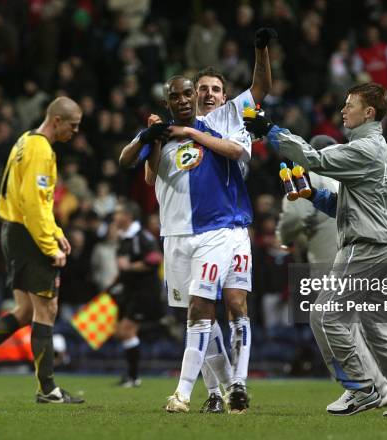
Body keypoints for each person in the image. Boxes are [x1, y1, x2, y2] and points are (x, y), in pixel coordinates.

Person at [244, 82, 387, 416]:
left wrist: (271, 131)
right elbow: (347, 206)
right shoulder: (376, 148)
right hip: (383, 246)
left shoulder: (365, 148)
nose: (343, 110)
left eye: (349, 105)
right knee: (379, 325)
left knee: (325, 313)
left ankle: (360, 388)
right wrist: (313, 197)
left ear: (368, 112)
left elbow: (313, 158)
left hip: (365, 247)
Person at [119, 75, 253, 413]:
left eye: (187, 94)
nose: (182, 100)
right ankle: (221, 391)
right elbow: (132, 164)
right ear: (167, 102)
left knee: (205, 308)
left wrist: (261, 51)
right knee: (195, 315)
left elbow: (240, 145)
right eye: (175, 96)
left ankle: (189, 392)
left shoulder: (219, 125)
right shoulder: (161, 133)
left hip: (217, 232)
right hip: (173, 236)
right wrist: (148, 136)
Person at [0, 97, 84, 404]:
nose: (75, 133)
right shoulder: (40, 149)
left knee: (24, 311)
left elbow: (37, 200)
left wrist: (56, 232)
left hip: (15, 231)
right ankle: (47, 389)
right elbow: (32, 203)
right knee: (46, 309)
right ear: (57, 121)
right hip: (27, 235)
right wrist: (50, 245)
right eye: (73, 126)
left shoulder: (25, 140)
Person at [188, 27, 276, 413]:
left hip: (234, 229)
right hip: (192, 233)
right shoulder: (178, 130)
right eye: (202, 88)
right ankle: (213, 392)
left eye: (215, 89)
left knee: (236, 304)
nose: (209, 94)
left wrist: (259, 49)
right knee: (200, 311)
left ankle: (238, 384)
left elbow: (262, 85)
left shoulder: (230, 114)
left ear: (225, 96)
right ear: (193, 94)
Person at [276, 134, 387, 407]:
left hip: (331, 258)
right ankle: (381, 383)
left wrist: (285, 237)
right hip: (372, 252)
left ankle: (373, 386)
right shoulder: (351, 172)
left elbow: (295, 216)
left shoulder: (312, 174)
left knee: (335, 321)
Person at [111, 200, 163, 388]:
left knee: (127, 330)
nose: (115, 216)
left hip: (144, 293)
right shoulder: (124, 237)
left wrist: (131, 267)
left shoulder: (142, 236)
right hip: (129, 292)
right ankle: (131, 376)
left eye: (118, 213)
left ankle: (133, 377)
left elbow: (156, 258)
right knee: (121, 332)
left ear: (128, 216)